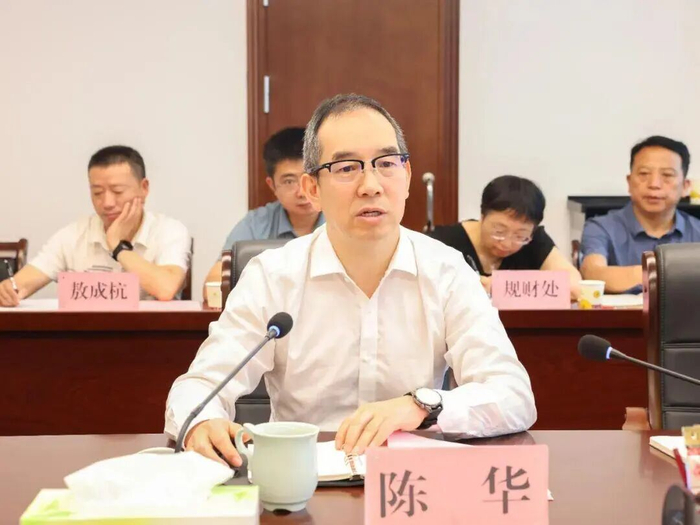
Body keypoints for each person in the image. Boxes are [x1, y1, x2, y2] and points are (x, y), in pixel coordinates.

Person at [165, 93, 536, 468]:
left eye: (386, 163)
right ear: (313, 189)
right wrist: (202, 424)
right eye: (346, 168)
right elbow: (199, 387)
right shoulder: (273, 276)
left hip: (409, 482)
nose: (371, 185)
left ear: (407, 176)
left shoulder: (447, 271)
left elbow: (514, 395)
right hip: (300, 480)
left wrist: (421, 405)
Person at [0, 145, 191, 306]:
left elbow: (165, 288)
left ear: (144, 188)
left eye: (117, 191)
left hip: (151, 336)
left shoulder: (169, 231)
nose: (107, 203)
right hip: (84, 336)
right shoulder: (73, 235)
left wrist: (118, 247)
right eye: (98, 193)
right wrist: (8, 290)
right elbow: (19, 285)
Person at [202, 128, 325, 293]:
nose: (302, 192)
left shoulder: (343, 218)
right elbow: (213, 286)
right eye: (289, 181)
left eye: (308, 178)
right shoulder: (255, 224)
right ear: (272, 185)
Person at [581, 136, 700, 293]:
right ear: (629, 182)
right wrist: (673, 276)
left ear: (685, 186)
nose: (654, 184)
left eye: (667, 175)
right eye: (644, 173)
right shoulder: (601, 227)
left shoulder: (697, 231)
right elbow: (593, 273)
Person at [430, 175, 581, 298]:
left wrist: (502, 285)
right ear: (482, 216)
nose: (507, 244)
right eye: (499, 232)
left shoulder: (535, 241)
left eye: (520, 236)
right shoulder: (443, 241)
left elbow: (574, 285)